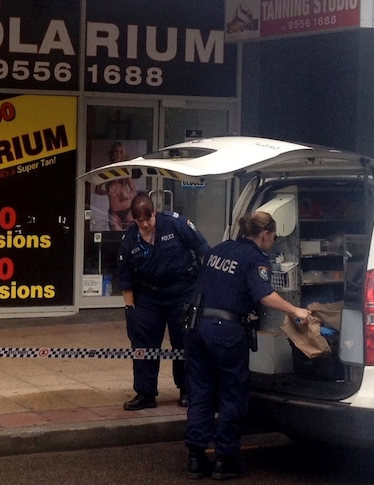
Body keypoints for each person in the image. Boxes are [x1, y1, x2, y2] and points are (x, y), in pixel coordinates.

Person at [183, 211, 311, 480]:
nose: (273, 243)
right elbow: (264, 295)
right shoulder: (255, 258)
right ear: (264, 235)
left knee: (201, 391)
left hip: (196, 327)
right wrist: (295, 310)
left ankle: (195, 457)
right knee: (232, 392)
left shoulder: (221, 249)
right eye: (273, 237)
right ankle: (225, 459)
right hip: (225, 332)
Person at [117, 191, 210, 411]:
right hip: (149, 296)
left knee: (184, 341)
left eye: (148, 218)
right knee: (144, 344)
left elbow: (203, 250)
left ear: (154, 212)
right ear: (134, 219)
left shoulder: (176, 224)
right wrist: (130, 310)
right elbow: (126, 277)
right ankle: (145, 393)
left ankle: (187, 389)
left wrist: (205, 288)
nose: (145, 224)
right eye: (140, 221)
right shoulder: (130, 239)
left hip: (182, 291)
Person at [95, 141, 137, 231]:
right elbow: (97, 190)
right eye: (116, 152)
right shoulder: (106, 171)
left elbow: (134, 191)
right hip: (114, 212)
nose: (118, 154)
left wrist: (127, 195)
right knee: (115, 237)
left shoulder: (126, 171)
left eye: (120, 152)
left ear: (123, 154)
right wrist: (106, 192)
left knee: (129, 237)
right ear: (112, 153)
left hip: (128, 210)